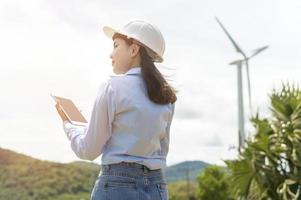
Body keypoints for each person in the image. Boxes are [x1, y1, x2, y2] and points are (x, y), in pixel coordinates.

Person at [55, 19, 177, 200]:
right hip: (156, 187)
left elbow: (87, 150)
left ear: (134, 49)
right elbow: (162, 151)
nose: (110, 54)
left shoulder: (112, 87)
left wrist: (69, 124)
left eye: (116, 45)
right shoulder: (166, 96)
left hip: (117, 187)